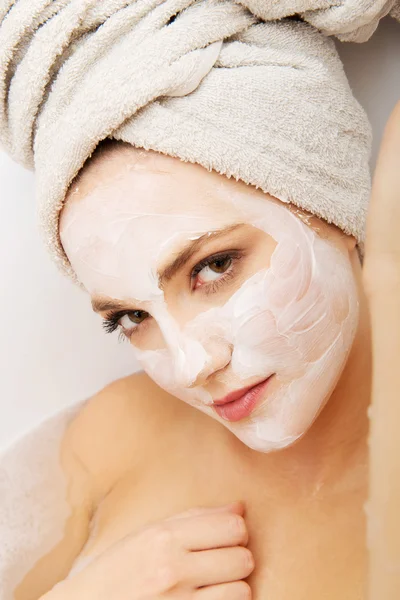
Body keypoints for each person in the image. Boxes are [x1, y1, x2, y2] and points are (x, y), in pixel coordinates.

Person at [0, 2, 399, 600]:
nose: (192, 366)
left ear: (333, 207)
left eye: (213, 267)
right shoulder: (110, 436)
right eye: (130, 317)